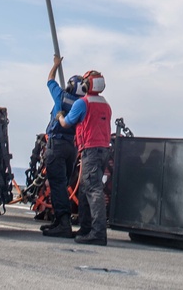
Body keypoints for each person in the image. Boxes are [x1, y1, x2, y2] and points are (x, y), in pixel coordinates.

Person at [57, 70, 111, 245]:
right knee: (85, 189)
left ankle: (97, 233)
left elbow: (66, 123)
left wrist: (59, 115)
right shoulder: (105, 104)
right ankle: (86, 228)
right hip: (103, 149)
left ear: (88, 85)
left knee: (93, 190)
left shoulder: (83, 103)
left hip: (91, 150)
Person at [41, 55, 85, 238]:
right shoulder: (83, 104)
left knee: (57, 184)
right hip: (72, 148)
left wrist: (55, 65)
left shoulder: (61, 96)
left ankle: (63, 224)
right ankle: (59, 221)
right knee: (63, 183)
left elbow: (50, 80)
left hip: (57, 145)